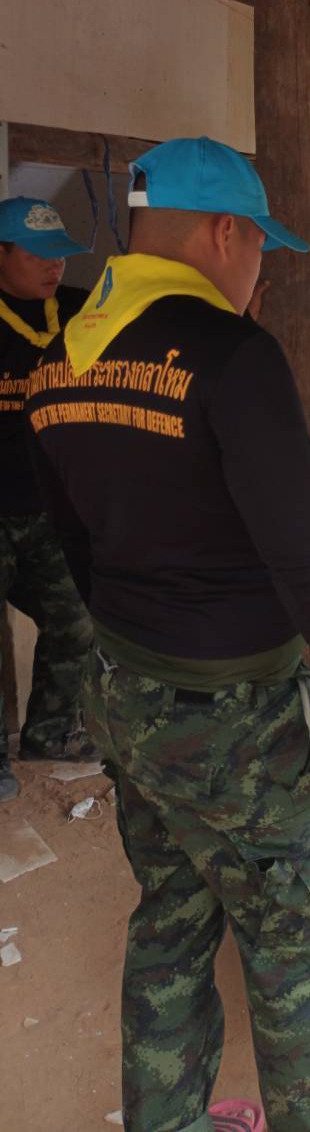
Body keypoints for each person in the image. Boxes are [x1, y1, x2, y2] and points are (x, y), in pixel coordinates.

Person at [25, 137, 310, 1132]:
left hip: (127, 693)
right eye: (259, 244)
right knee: (295, 949)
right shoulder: (232, 355)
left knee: (172, 916)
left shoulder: (60, 360)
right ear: (223, 232)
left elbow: (71, 536)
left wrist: (133, 634)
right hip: (239, 713)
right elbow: (306, 549)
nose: (258, 267)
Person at [0, 197, 95, 802]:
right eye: (37, 253)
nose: (53, 265)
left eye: (59, 253)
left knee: (78, 619)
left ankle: (51, 733)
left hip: (49, 509)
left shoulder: (81, 311)